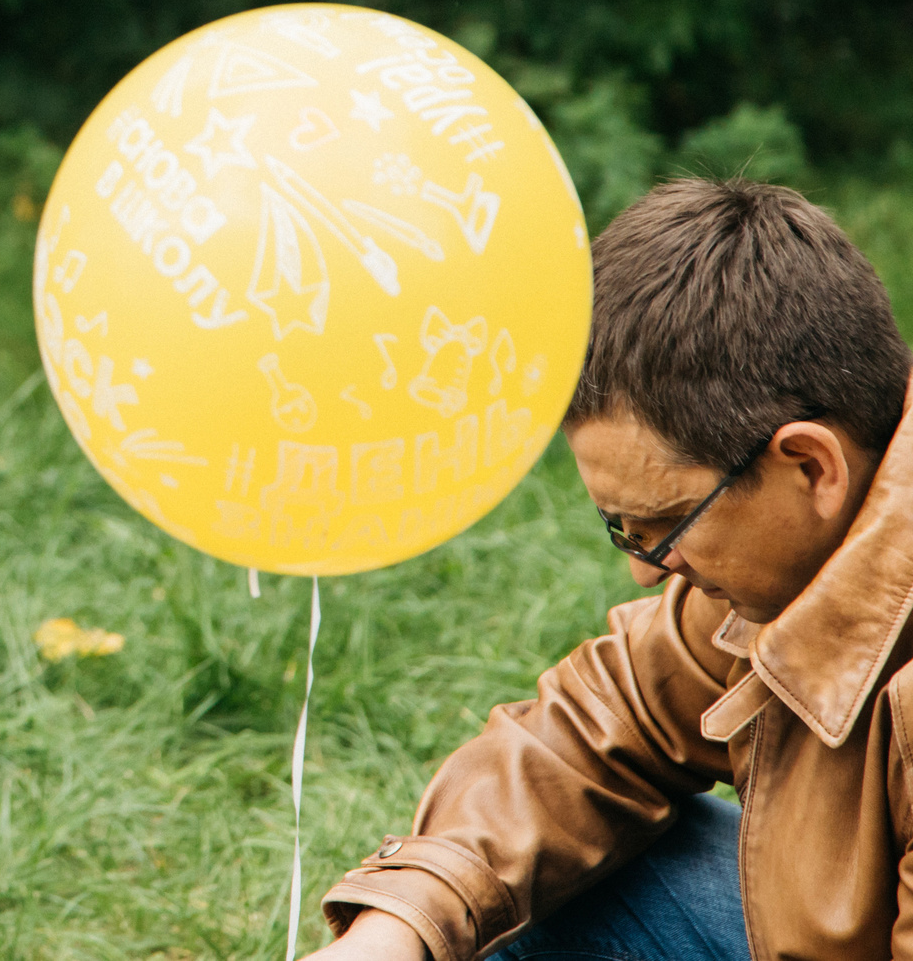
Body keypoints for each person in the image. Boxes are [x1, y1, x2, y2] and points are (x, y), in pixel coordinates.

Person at [312, 177, 913, 961]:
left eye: (665, 526)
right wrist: (398, 928)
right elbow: (594, 729)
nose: (645, 571)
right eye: (622, 529)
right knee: (553, 875)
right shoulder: (792, 567)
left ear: (810, 464)